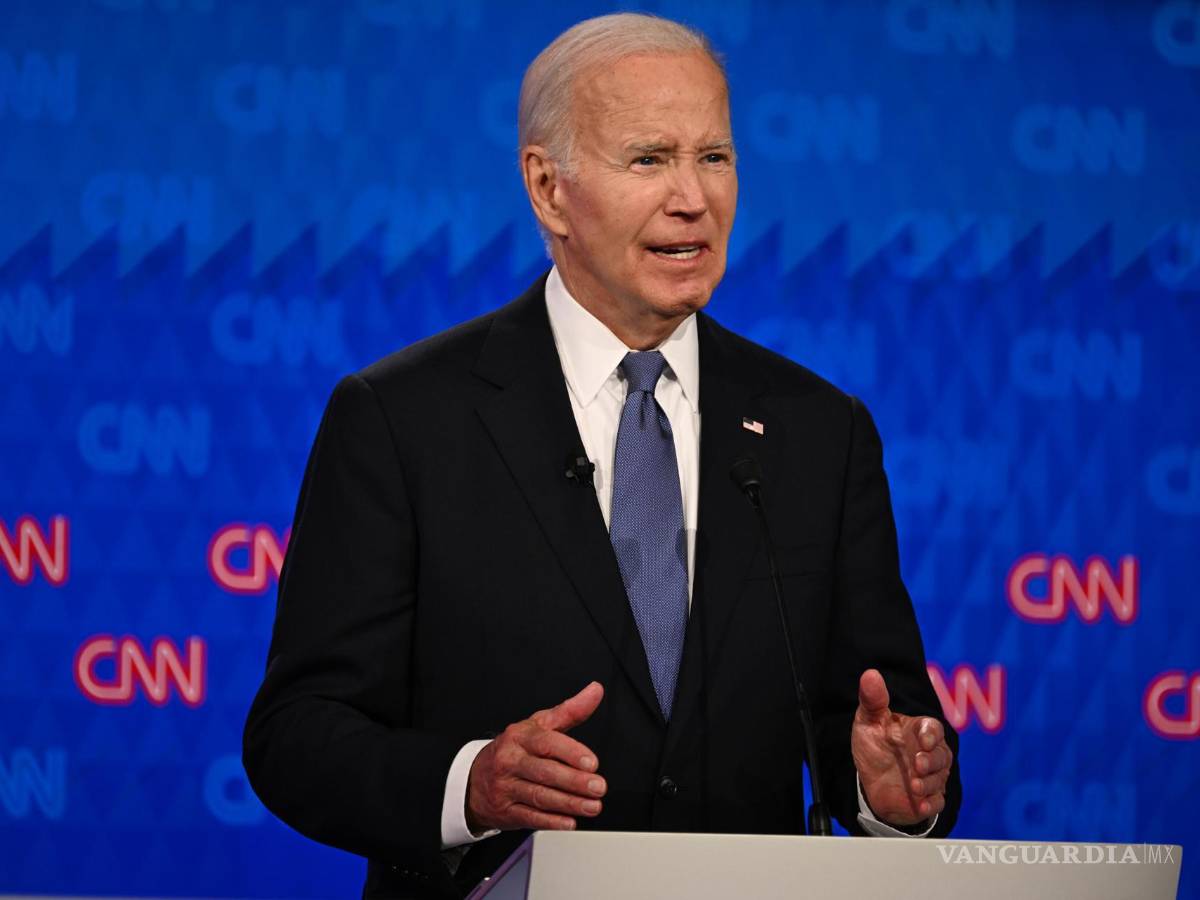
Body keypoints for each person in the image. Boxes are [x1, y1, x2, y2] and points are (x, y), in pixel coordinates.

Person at [244, 13, 961, 899]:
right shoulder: (401, 420)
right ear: (548, 189)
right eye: (649, 159)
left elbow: (882, 720)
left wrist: (891, 795)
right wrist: (468, 784)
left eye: (714, 156)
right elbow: (296, 733)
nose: (693, 198)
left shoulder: (819, 430)